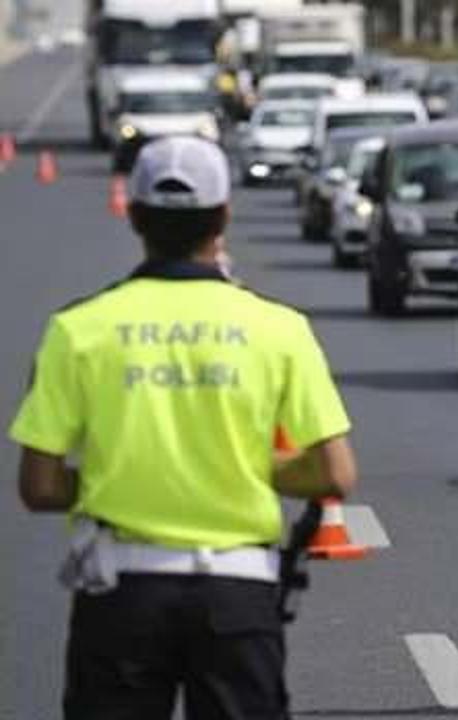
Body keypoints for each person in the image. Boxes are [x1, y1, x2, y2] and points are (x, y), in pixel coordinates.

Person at [10, 136, 358, 719]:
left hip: (122, 592)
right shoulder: (279, 329)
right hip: (238, 594)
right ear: (223, 217)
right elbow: (334, 474)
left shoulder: (78, 330)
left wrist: (123, 477)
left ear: (135, 216)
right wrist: (239, 468)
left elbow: (39, 486)